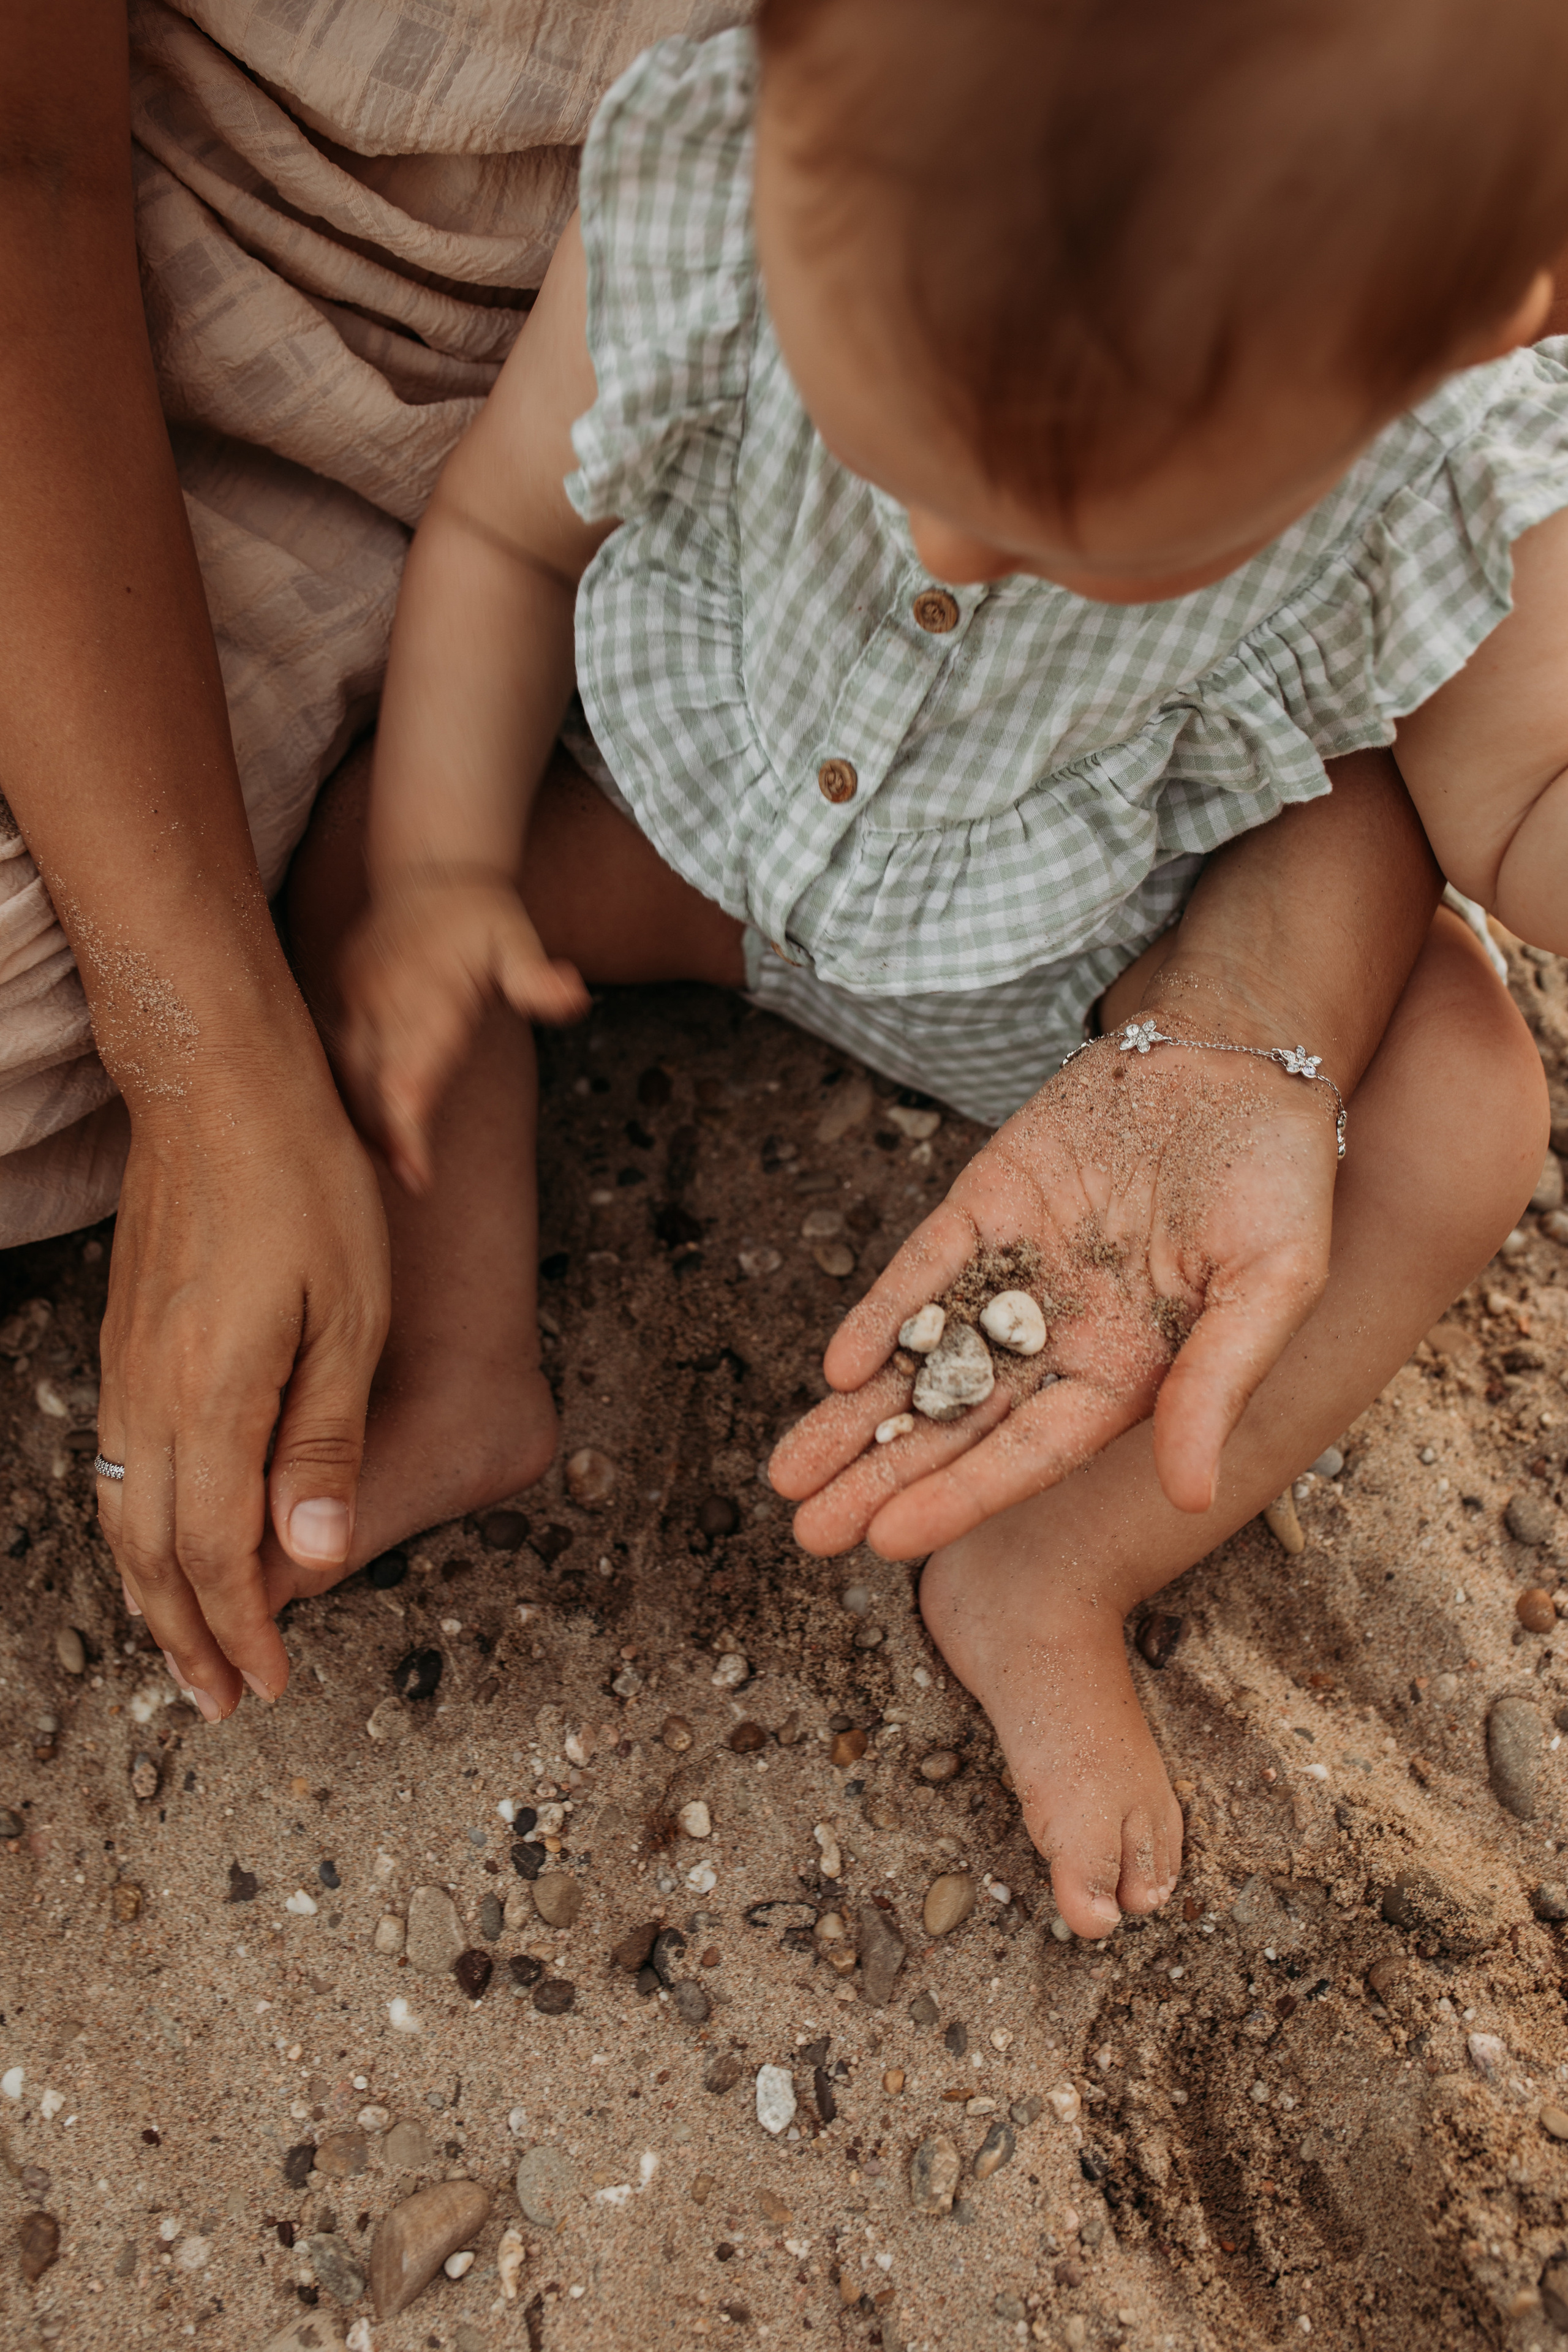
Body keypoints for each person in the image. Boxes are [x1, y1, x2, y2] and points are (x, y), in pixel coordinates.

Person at [319, 0, 1568, 1934]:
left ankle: (1054, 1568)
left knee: (1470, 1108)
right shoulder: (732, 162)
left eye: (1083, 529)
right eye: (887, 419)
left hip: (1096, 986)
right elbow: (498, 534)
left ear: (1469, 332)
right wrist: (441, 877)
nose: (943, 550)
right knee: (361, 859)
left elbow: (1521, 810)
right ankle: (465, 1356)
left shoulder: (1438, 445)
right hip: (676, 819)